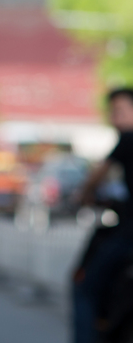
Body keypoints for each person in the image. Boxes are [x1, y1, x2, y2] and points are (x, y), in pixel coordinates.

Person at [73, 87, 133, 343]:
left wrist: (83, 195)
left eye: (121, 111)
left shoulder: (128, 139)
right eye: (112, 112)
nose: (115, 118)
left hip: (129, 236)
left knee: (85, 289)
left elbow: (96, 176)